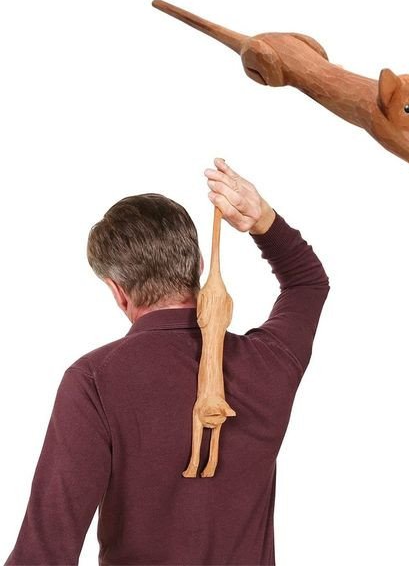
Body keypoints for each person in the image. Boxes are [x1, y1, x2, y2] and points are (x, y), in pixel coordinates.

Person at [5, 158, 330, 565]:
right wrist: (262, 220)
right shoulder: (267, 362)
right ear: (198, 267)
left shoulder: (94, 381)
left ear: (117, 290)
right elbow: (307, 283)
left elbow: (44, 554)